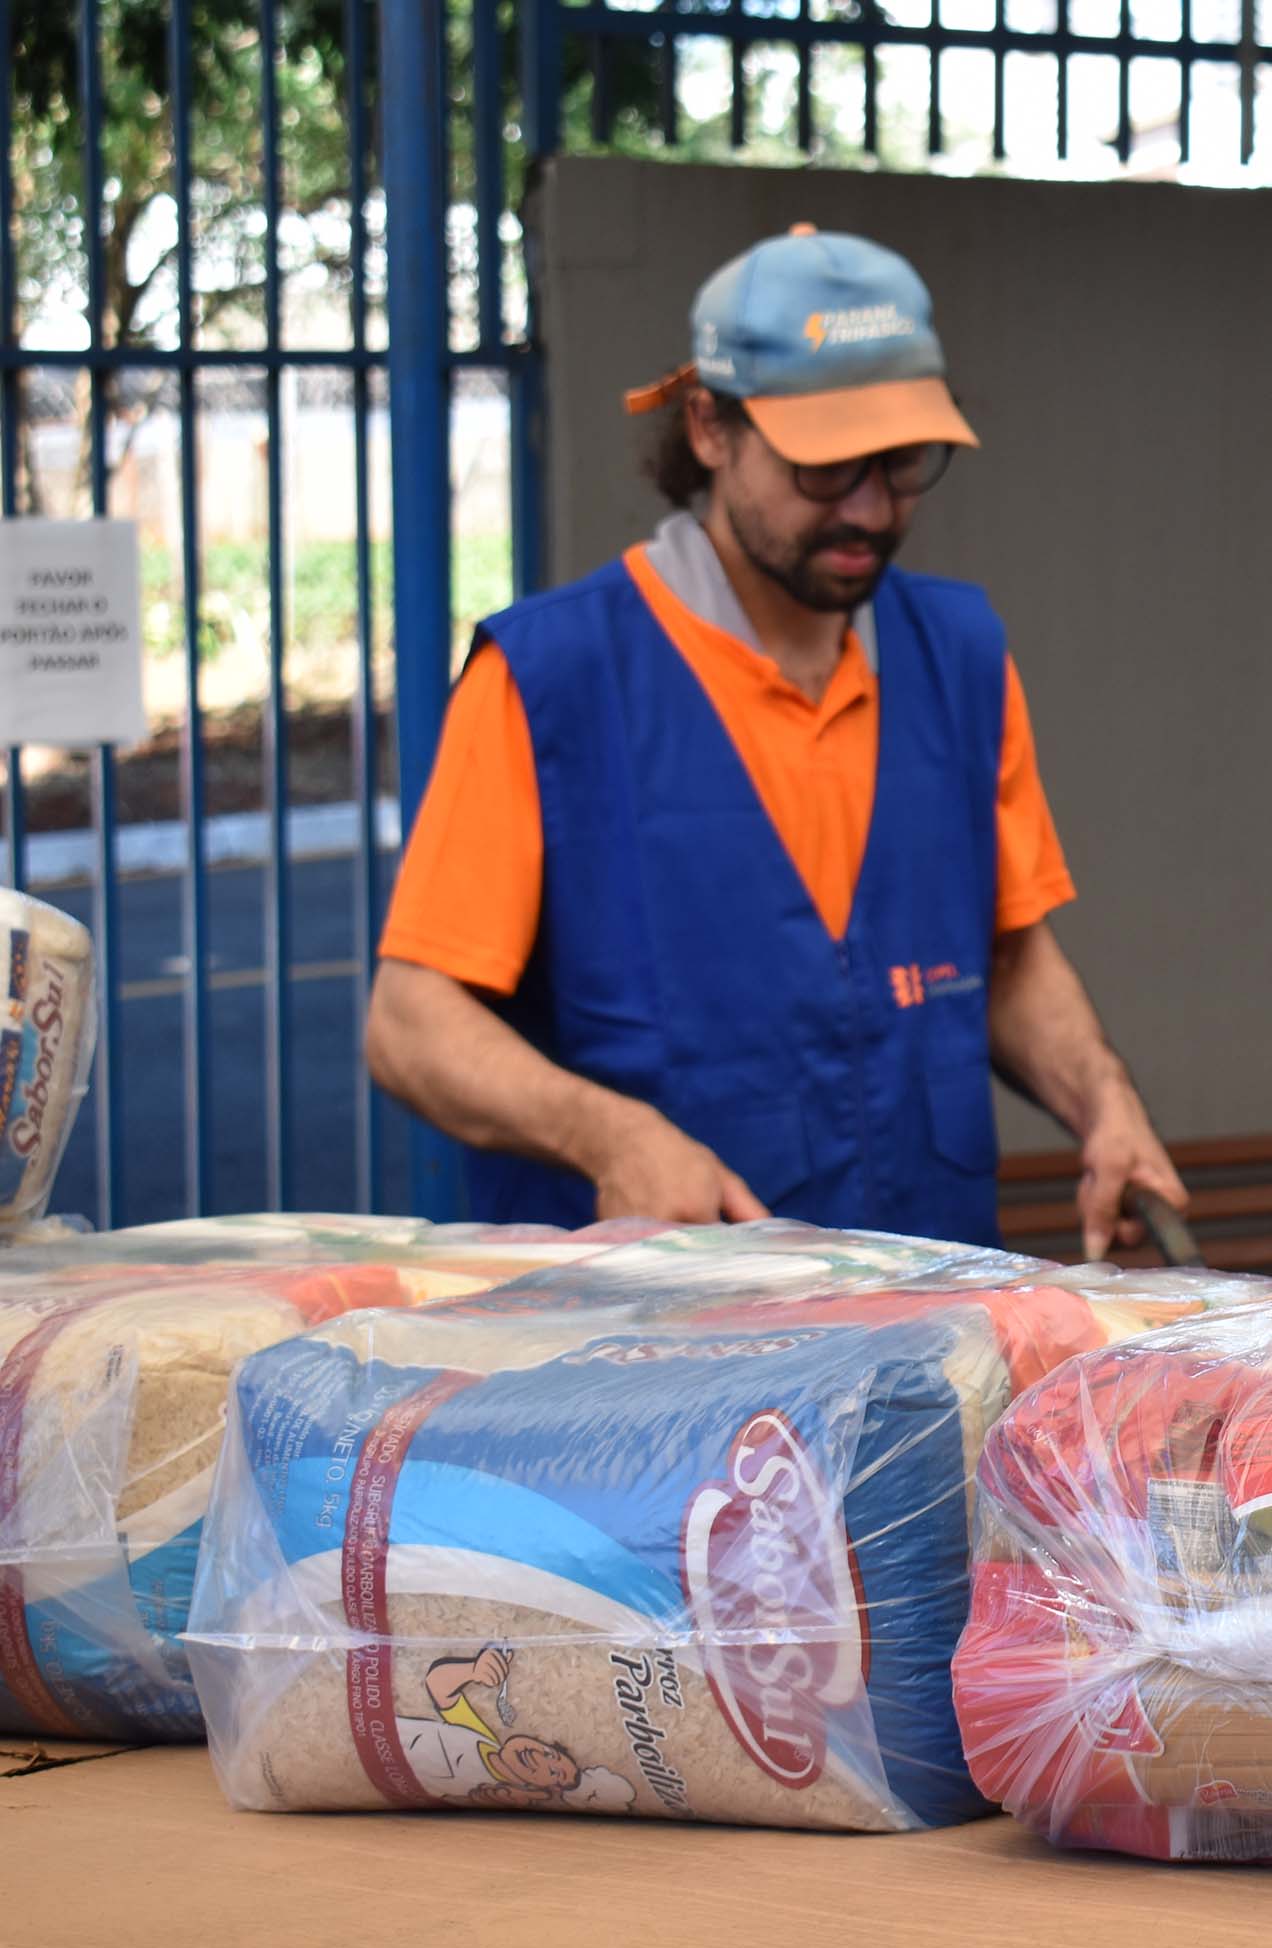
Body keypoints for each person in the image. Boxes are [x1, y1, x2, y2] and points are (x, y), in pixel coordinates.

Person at [367, 225, 1183, 1255]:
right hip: (654, 1362)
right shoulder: (553, 678)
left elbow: (1005, 956)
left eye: (901, 463)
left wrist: (1105, 1103)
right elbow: (408, 1022)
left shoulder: (961, 658)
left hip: (931, 1329)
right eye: (827, 467)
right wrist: (606, 1130)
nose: (871, 508)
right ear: (710, 426)